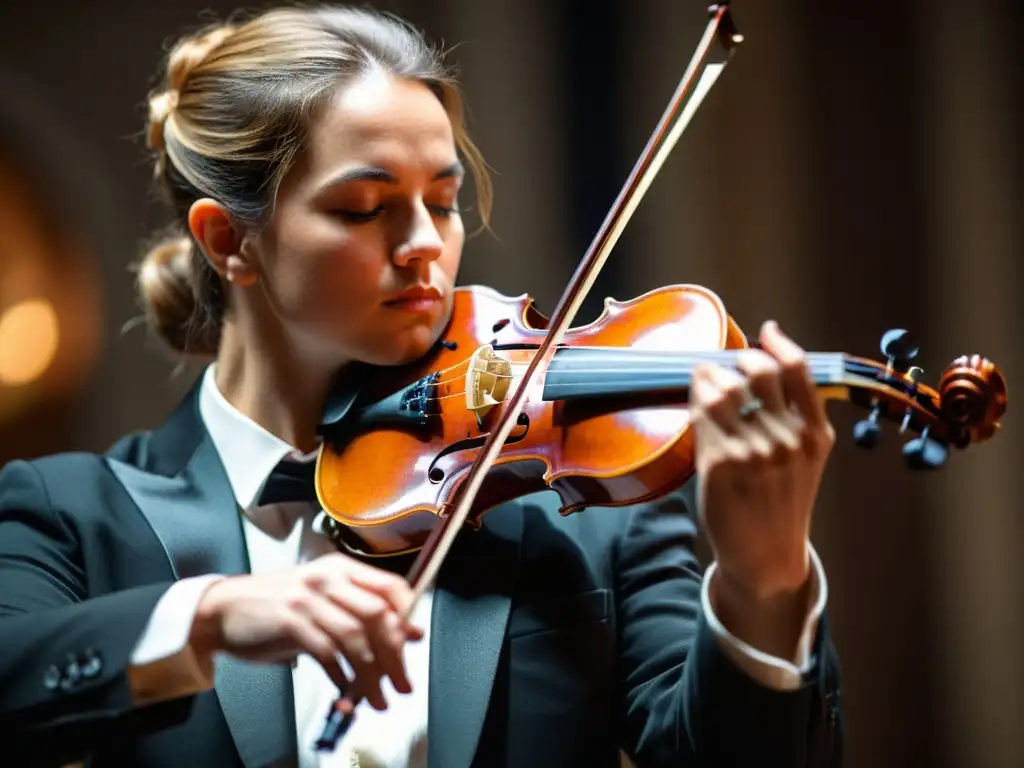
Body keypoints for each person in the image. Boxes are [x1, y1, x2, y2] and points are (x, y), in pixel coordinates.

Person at [0, 5, 844, 767]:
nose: (423, 247)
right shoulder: (72, 517)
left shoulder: (584, 514)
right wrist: (214, 615)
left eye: (442, 202)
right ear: (230, 241)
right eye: (366, 208)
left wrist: (761, 583)